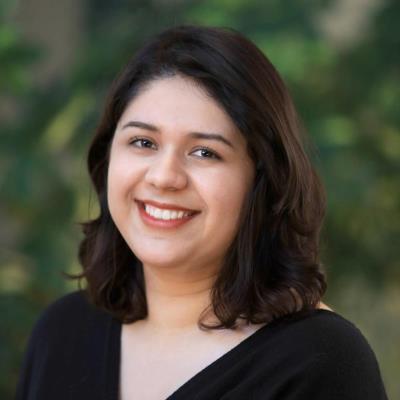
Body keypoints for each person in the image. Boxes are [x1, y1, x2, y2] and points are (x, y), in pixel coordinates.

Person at [16, 25, 388, 400]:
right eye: (143, 142)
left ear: (263, 179)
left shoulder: (321, 362)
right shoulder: (62, 334)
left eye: (205, 152)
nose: (164, 177)